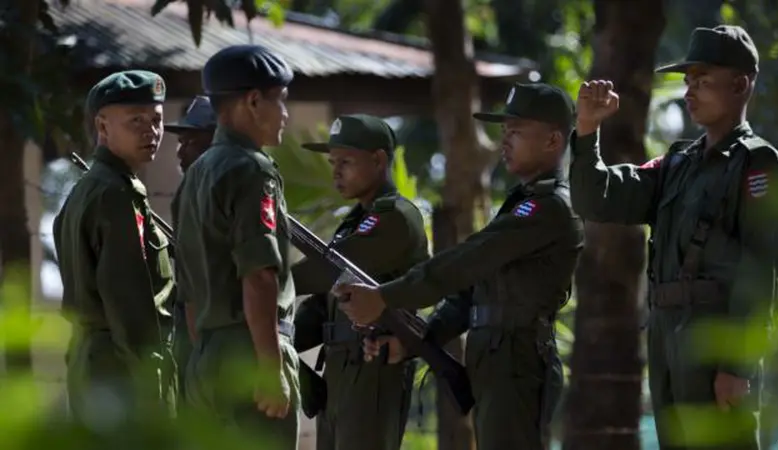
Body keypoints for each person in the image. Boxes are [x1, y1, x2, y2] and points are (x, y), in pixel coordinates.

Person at [569, 25, 778, 450]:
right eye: (687, 82)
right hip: (668, 335)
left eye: (702, 82)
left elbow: (762, 267)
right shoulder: (676, 164)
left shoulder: (756, 162)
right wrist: (587, 130)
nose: (689, 92)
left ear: (740, 85)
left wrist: (738, 365)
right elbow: (598, 200)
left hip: (714, 339)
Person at [335, 83, 584, 450]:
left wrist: (385, 297)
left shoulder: (549, 207)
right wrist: (417, 341)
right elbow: (471, 291)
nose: (505, 142)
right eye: (504, 132)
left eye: (516, 132)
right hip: (498, 357)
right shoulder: (521, 204)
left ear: (552, 141)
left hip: (518, 358)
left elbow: (469, 259)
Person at [174, 44, 300, 449]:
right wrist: (269, 368)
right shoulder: (252, 168)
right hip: (249, 354)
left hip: (206, 358)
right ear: (253, 100)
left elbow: (191, 290)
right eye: (281, 101)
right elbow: (260, 275)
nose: (285, 114)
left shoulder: (195, 176)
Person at [291, 114, 429, 450]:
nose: (336, 171)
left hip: (373, 366)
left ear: (378, 160)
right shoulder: (354, 222)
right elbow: (323, 303)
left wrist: (263, 279)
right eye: (332, 162)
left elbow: (326, 272)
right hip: (339, 368)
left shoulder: (395, 217)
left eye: (346, 162)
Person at [53, 70, 176, 431]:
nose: (150, 131)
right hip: (124, 371)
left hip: (94, 363)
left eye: (156, 120)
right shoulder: (116, 195)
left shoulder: (86, 190)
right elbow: (128, 300)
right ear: (103, 128)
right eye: (135, 120)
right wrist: (151, 383)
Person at [164, 95, 216, 411]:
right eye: (181, 142)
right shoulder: (196, 190)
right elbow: (194, 285)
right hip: (203, 346)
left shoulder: (208, 187)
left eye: (192, 142)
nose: (181, 152)